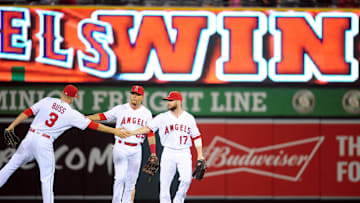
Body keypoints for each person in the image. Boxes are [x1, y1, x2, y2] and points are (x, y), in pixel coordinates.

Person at [0, 84, 126, 203]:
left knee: (9, 167)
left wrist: (11, 126)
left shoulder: (47, 101)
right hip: (44, 141)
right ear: (72, 98)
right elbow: (94, 126)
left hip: (30, 136)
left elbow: (27, 112)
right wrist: (114, 130)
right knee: (47, 178)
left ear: (63, 94)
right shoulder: (71, 113)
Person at [124, 91, 205, 203]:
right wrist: (133, 132)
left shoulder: (189, 118)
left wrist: (200, 155)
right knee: (164, 184)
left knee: (186, 180)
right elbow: (148, 128)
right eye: (168, 101)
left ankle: (178, 200)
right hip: (168, 152)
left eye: (171, 101)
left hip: (184, 152)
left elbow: (196, 136)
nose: (168, 103)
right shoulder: (162, 117)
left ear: (178, 101)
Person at [87, 85, 156, 203]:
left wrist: (153, 152)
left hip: (136, 149)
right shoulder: (121, 109)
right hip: (121, 146)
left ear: (142, 97)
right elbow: (104, 116)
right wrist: (87, 118)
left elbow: (150, 132)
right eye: (133, 94)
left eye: (137, 94)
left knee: (131, 182)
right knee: (119, 178)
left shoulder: (146, 113)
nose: (134, 97)